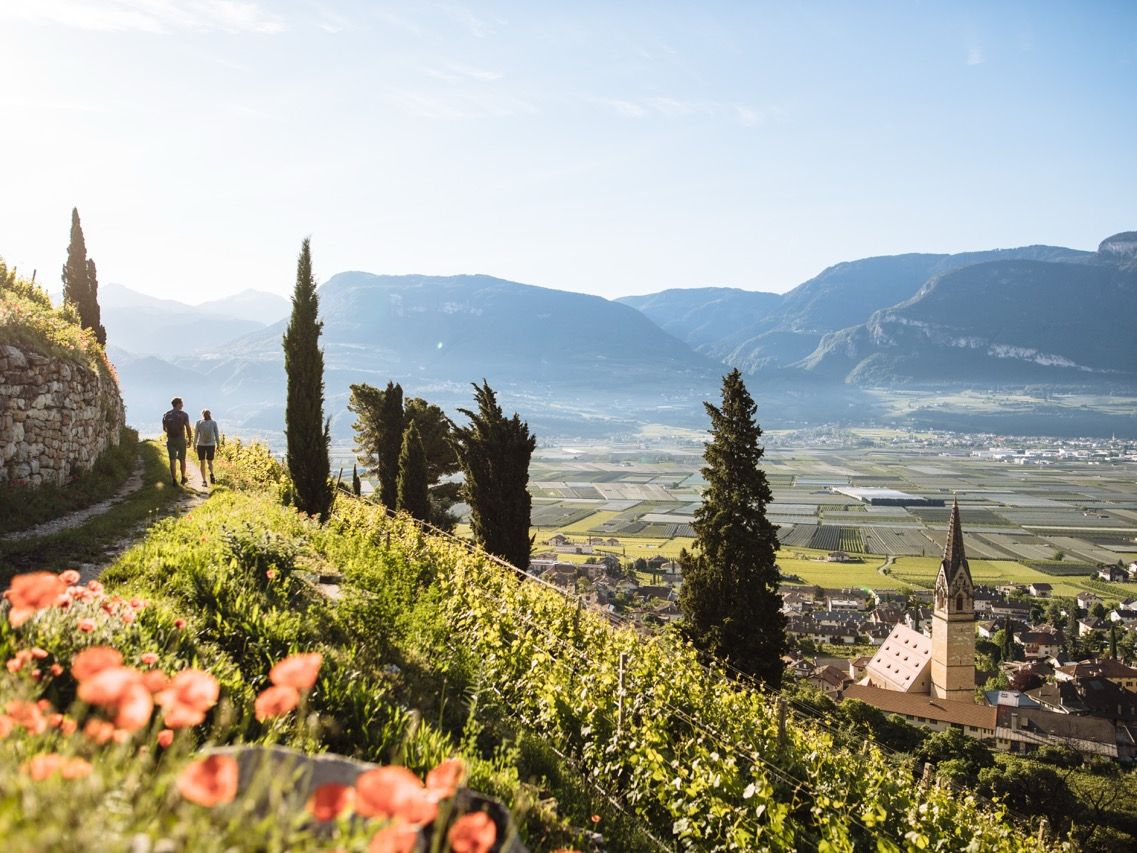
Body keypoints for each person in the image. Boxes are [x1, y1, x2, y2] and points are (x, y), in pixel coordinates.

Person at [162, 397, 193, 486]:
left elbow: (164, 429)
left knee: (172, 460)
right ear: (178, 404)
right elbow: (188, 428)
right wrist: (190, 439)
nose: (182, 405)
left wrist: (171, 433)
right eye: (181, 403)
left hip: (171, 440)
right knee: (182, 459)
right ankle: (183, 478)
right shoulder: (184, 415)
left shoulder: (166, 414)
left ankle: (174, 480)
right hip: (181, 439)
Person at [194, 409, 220, 486]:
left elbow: (196, 435)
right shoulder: (214, 423)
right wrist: (218, 445)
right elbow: (217, 435)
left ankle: (204, 481)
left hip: (201, 445)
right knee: (210, 462)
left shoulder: (198, 423)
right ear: (210, 414)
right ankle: (211, 474)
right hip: (211, 445)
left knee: (202, 463)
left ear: (202, 415)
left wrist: (194, 444)